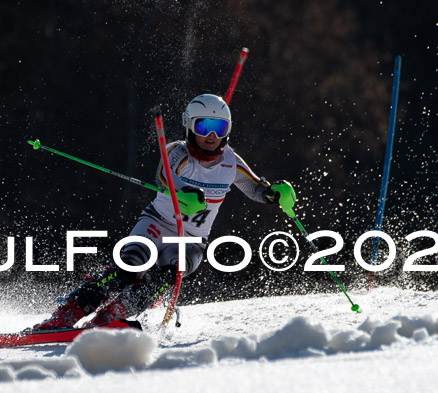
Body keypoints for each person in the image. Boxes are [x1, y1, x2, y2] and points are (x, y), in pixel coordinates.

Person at [33, 94, 296, 330]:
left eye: (220, 127)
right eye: (204, 126)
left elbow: (255, 188)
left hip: (192, 240)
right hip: (157, 223)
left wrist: (274, 194)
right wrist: (180, 192)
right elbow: (162, 176)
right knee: (131, 264)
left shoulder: (230, 162)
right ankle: (67, 314)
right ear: (190, 126)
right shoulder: (177, 152)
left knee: (170, 271)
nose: (211, 135)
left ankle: (112, 316)